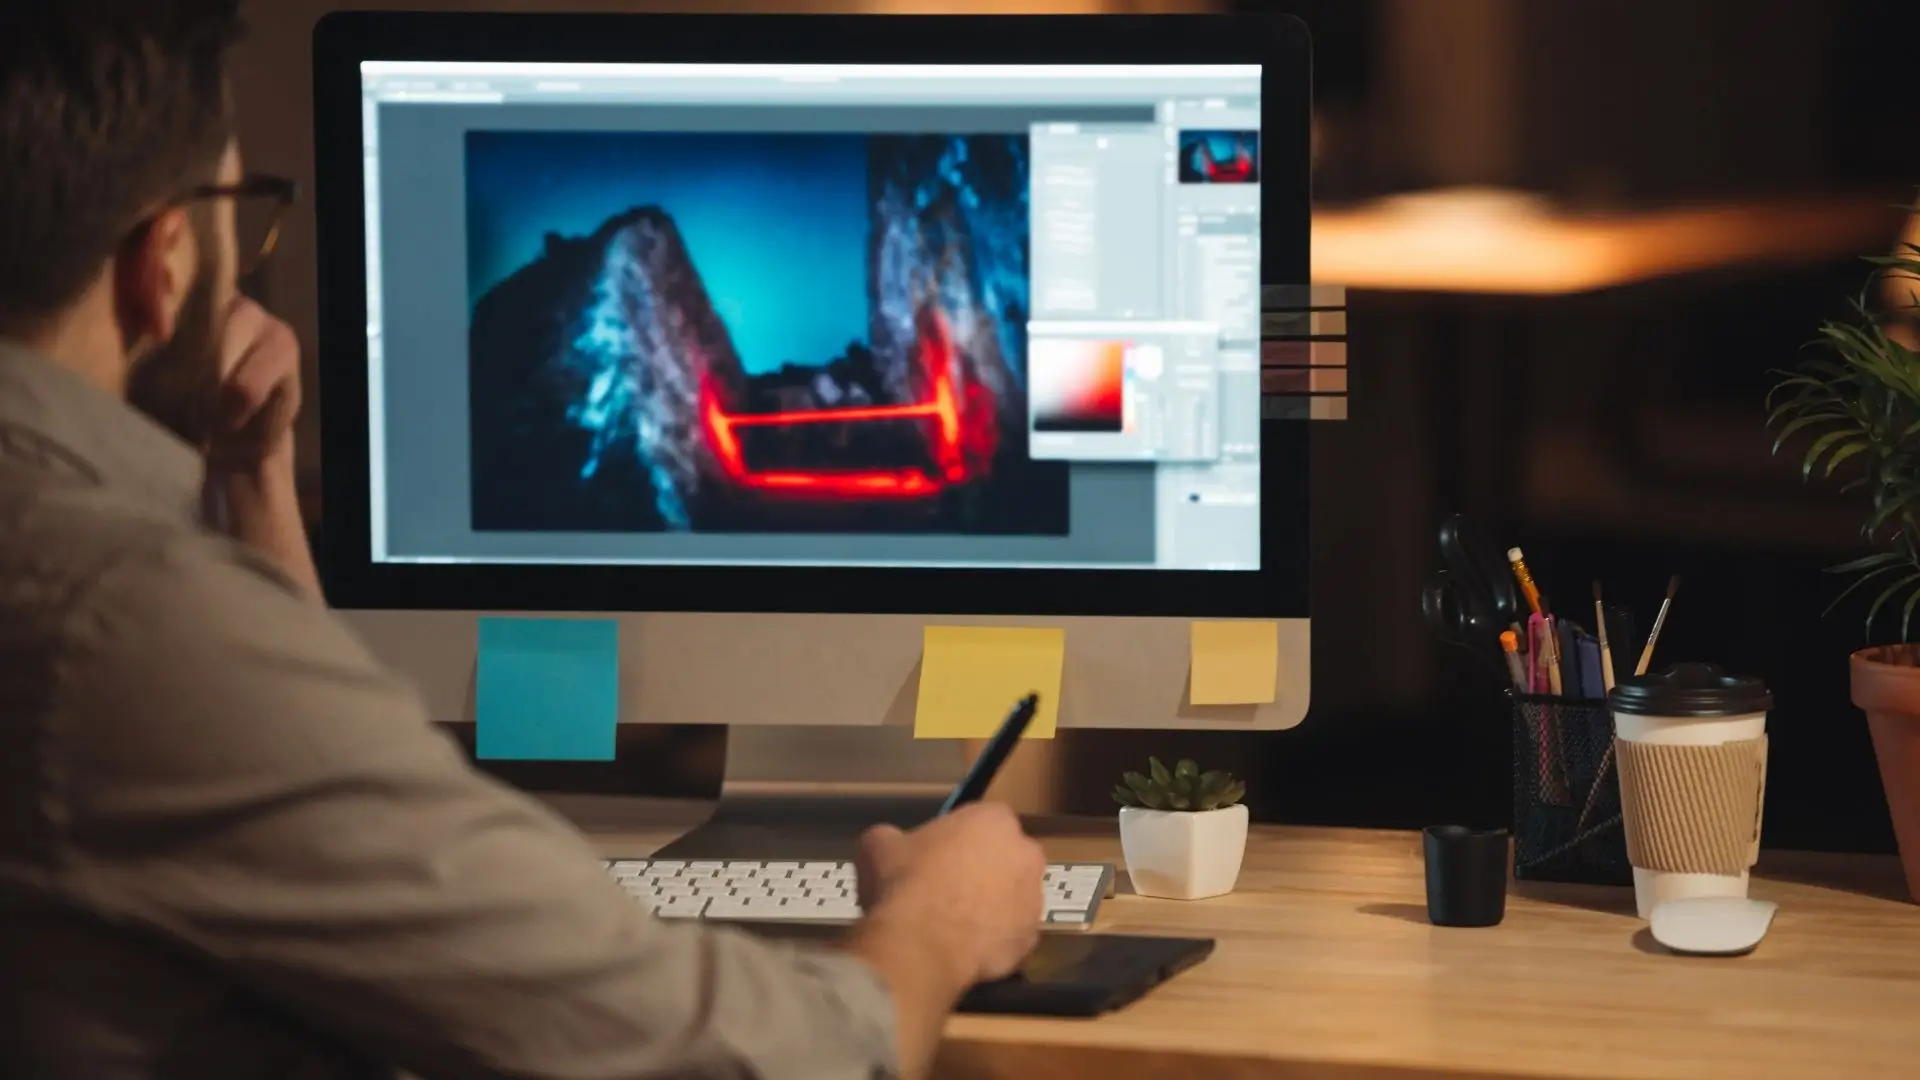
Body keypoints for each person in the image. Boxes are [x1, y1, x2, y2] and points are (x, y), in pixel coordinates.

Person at [0, 4, 1047, 1079]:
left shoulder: (83, 579)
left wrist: (249, 469)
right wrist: (938, 924)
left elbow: (303, 758)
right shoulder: (123, 623)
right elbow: (743, 1061)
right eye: (238, 211)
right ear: (161, 264)